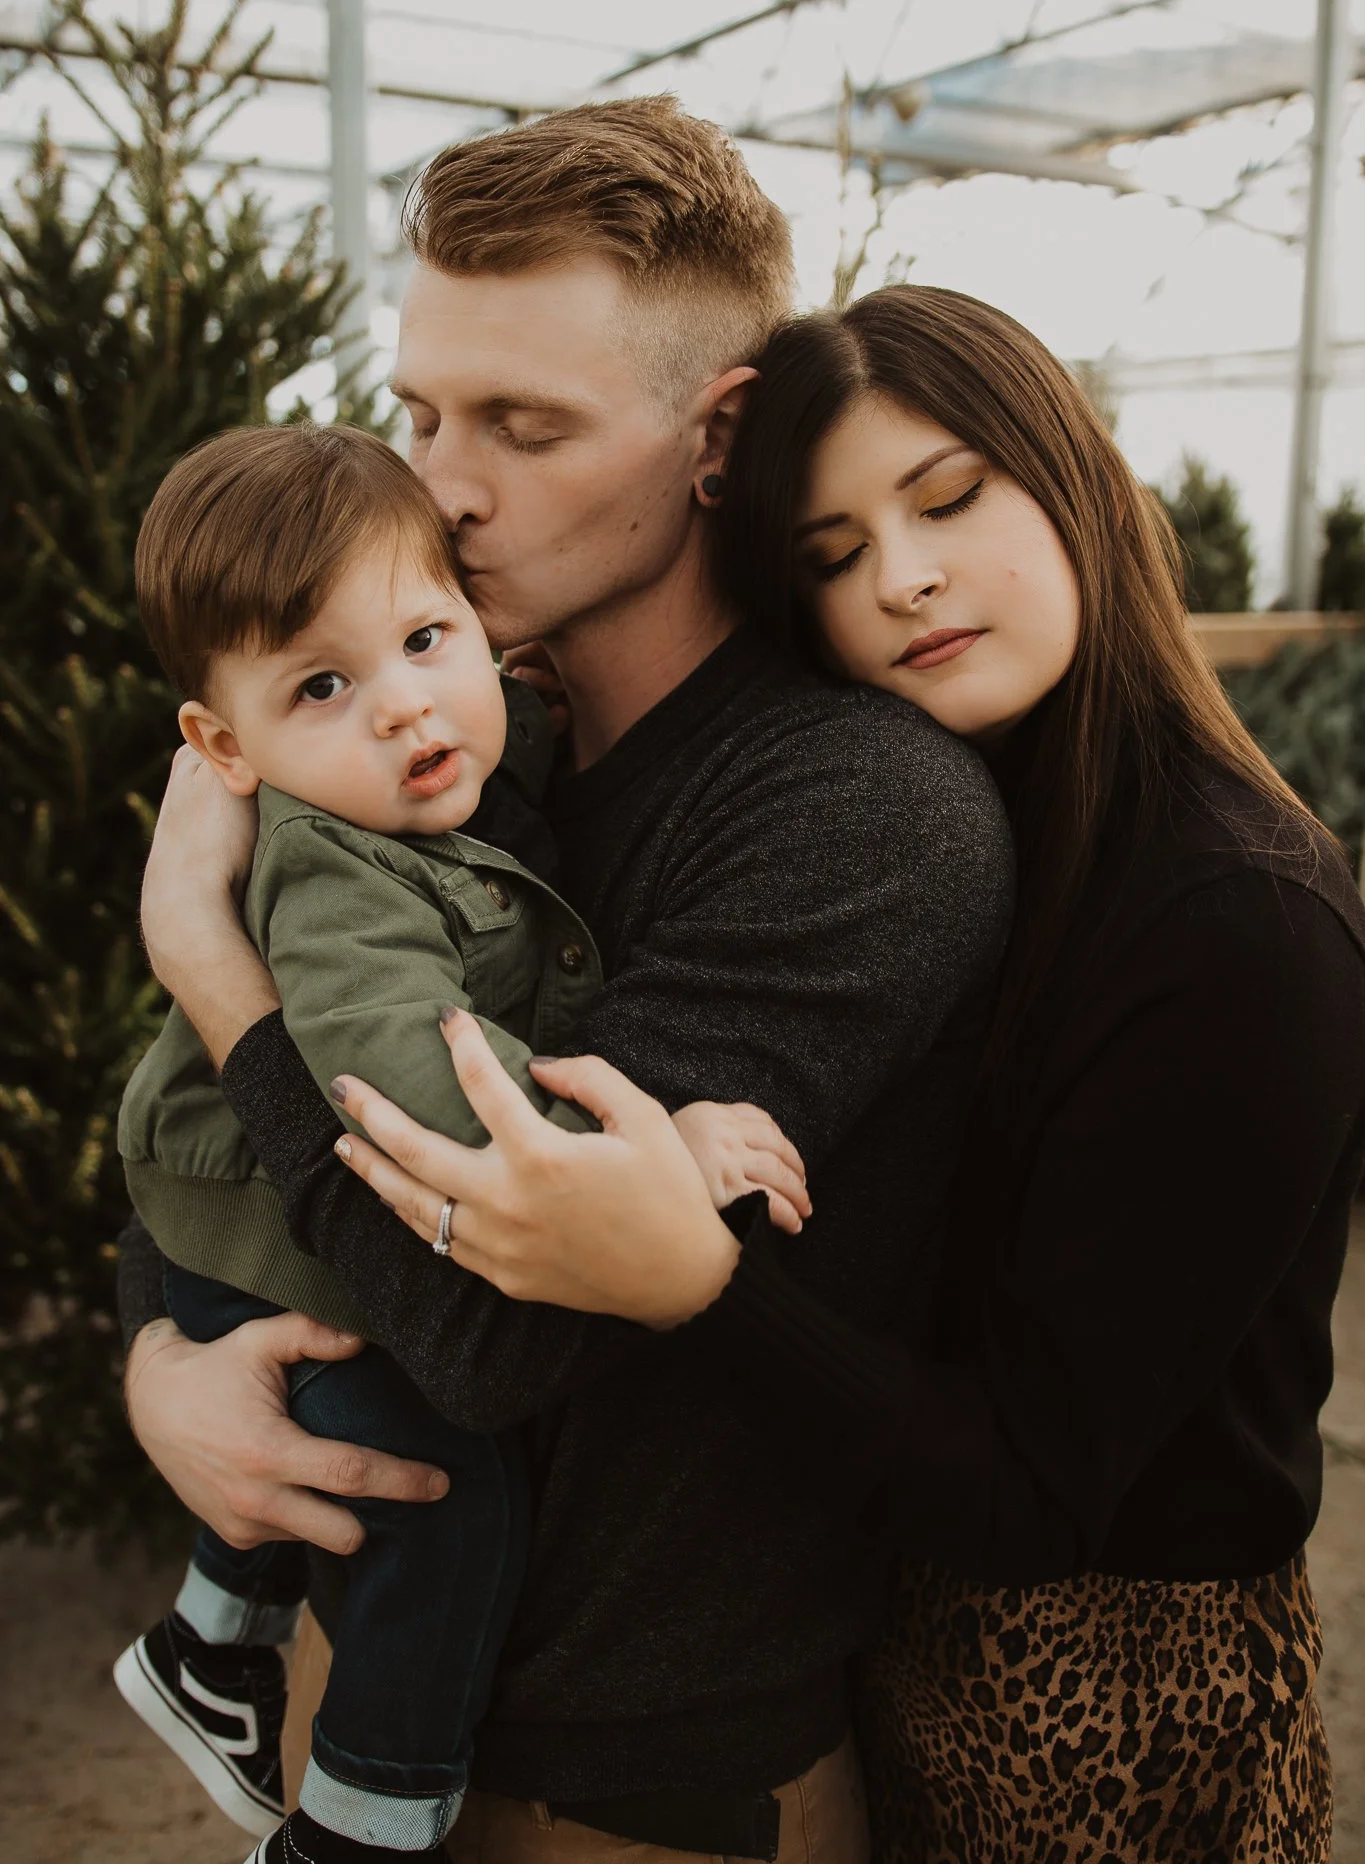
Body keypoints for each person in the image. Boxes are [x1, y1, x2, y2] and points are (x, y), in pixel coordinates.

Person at [342, 287, 1365, 1864]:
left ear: (1077, 477)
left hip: (1111, 1710)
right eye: (831, 554)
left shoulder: (1238, 921)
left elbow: (1033, 1492)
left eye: (950, 499)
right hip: (899, 1659)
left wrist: (697, 1283)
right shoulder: (1011, 807)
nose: (901, 579)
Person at [118, 103, 1015, 1862]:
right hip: (375, 1689)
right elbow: (209, 1141)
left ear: (718, 437)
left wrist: (217, 973)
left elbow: (488, 1326)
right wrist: (164, 1357)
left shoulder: (857, 812)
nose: (445, 486)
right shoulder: (448, 749)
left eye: (524, 427)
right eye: (422, 414)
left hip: (642, 1794)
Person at [115, 421, 805, 1864]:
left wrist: (518, 705)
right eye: (321, 686)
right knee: (440, 1498)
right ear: (225, 750)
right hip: (253, 1231)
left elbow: (488, 737)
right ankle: (356, 1828)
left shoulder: (457, 754)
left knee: (335, 1442)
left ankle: (209, 1646)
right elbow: (418, 1078)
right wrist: (644, 1156)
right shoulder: (330, 870)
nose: (401, 708)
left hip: (230, 1206)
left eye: (426, 639)